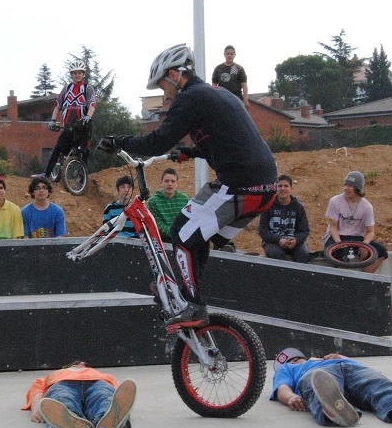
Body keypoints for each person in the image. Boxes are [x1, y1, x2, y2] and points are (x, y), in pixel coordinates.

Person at [100, 44, 277, 328]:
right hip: (265, 187)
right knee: (197, 238)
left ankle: (193, 305)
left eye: (162, 85)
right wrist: (191, 152)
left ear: (173, 75)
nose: (163, 92)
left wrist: (120, 141)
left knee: (182, 230)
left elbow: (157, 141)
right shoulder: (217, 95)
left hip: (239, 184)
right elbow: (231, 142)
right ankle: (188, 293)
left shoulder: (190, 98)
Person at [270, 347, 392, 428]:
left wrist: (340, 357)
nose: (293, 361)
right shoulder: (290, 369)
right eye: (290, 361)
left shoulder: (328, 357)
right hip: (321, 376)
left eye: (296, 358)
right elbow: (282, 388)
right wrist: (291, 398)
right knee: (317, 384)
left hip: (353, 369)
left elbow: (363, 371)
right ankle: (333, 411)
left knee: (378, 384)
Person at [22, 361, 136, 428]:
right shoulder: (52, 376)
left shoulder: (104, 375)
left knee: (104, 395)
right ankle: (69, 423)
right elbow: (36, 392)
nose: (81, 364)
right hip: (62, 384)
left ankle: (108, 419)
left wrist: (119, 404)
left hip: (96, 382)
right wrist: (37, 409)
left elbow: (117, 394)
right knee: (63, 397)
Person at [34, 60, 96, 179]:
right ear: (71, 75)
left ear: (83, 74)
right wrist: (52, 120)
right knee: (57, 149)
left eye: (79, 73)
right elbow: (58, 105)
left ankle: (82, 179)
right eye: (74, 73)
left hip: (82, 127)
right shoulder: (67, 89)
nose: (77, 75)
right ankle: (46, 174)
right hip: (68, 126)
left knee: (82, 152)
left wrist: (88, 116)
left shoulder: (88, 89)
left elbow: (92, 104)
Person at [322, 170, 387, 274]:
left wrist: (365, 244)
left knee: (381, 251)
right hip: (337, 236)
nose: (346, 188)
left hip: (357, 238)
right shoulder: (335, 201)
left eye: (350, 186)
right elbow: (333, 227)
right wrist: (339, 243)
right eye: (345, 185)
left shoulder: (367, 207)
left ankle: (364, 277)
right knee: (337, 253)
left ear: (357, 189)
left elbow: (370, 231)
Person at [258, 174, 311, 263]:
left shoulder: (299, 207)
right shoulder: (268, 205)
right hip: (273, 242)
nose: (283, 189)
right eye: (280, 186)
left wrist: (296, 240)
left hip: (294, 243)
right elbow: (262, 230)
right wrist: (279, 240)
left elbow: (304, 230)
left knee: (304, 254)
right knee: (276, 254)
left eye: (286, 186)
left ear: (291, 189)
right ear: (275, 188)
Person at [147, 167, 189, 242]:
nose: (170, 184)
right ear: (161, 182)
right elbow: (158, 225)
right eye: (166, 181)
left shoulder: (184, 199)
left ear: (177, 184)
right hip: (163, 241)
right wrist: (175, 233)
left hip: (183, 238)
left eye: (173, 181)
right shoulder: (153, 202)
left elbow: (188, 220)